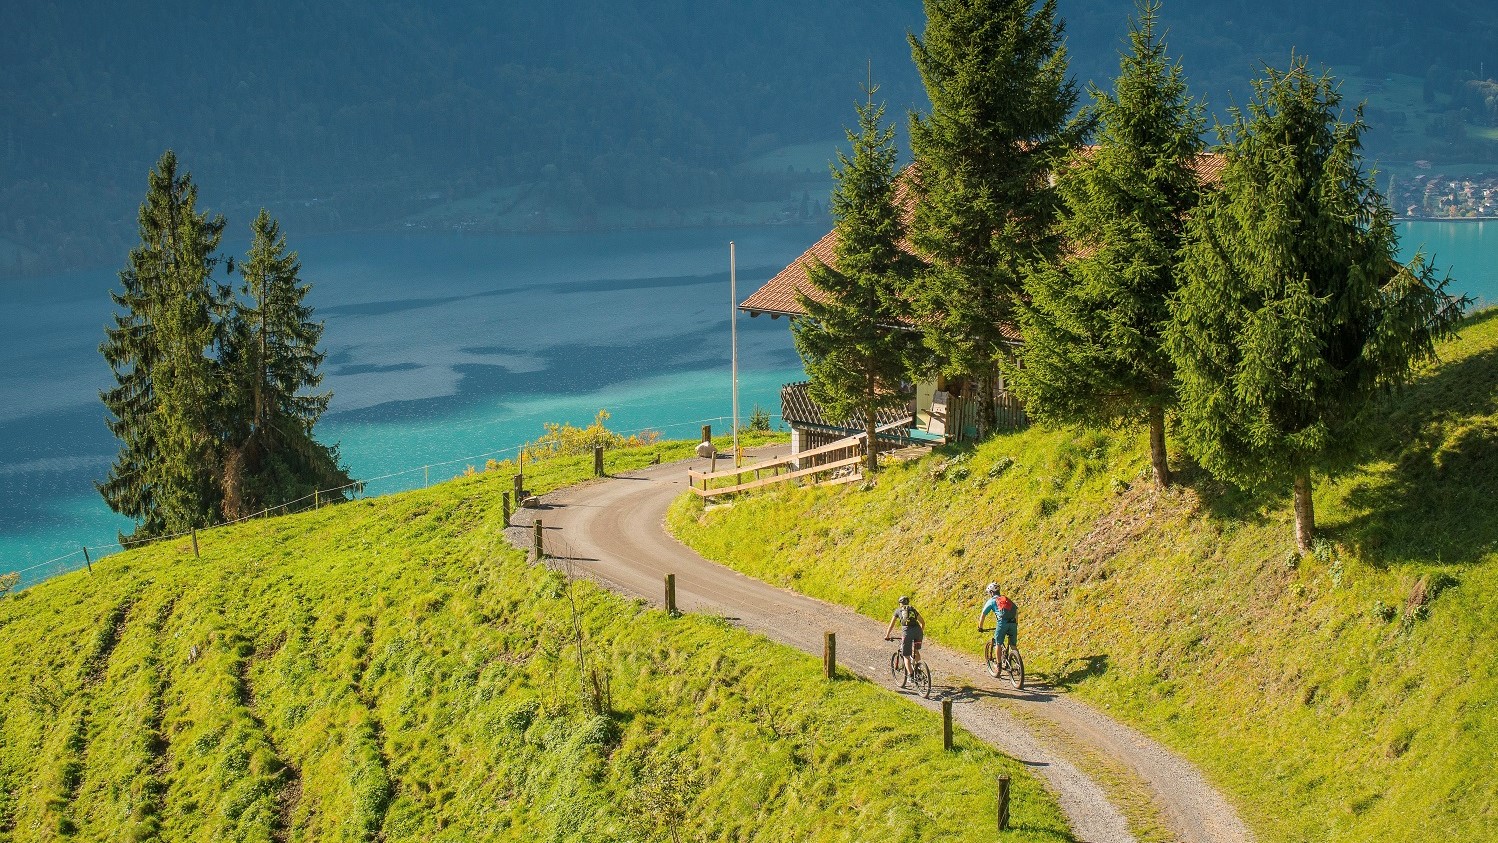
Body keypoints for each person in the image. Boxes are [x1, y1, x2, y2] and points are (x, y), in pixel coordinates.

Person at [884, 595, 925, 687]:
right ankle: (918, 668)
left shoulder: (898, 610)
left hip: (907, 633)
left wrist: (887, 635)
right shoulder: (913, 609)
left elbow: (891, 625)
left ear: (900, 603)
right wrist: (920, 633)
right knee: (916, 651)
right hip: (918, 631)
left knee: (906, 655)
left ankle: (911, 676)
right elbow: (923, 622)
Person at [977, 581, 1018, 658]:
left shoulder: (992, 601)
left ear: (991, 592)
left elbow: (983, 614)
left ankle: (998, 666)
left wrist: (980, 627)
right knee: (1013, 645)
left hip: (1002, 623)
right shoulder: (1006, 599)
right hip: (1013, 623)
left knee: (998, 643)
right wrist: (1016, 623)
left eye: (989, 592)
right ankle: (1017, 665)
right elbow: (1016, 610)